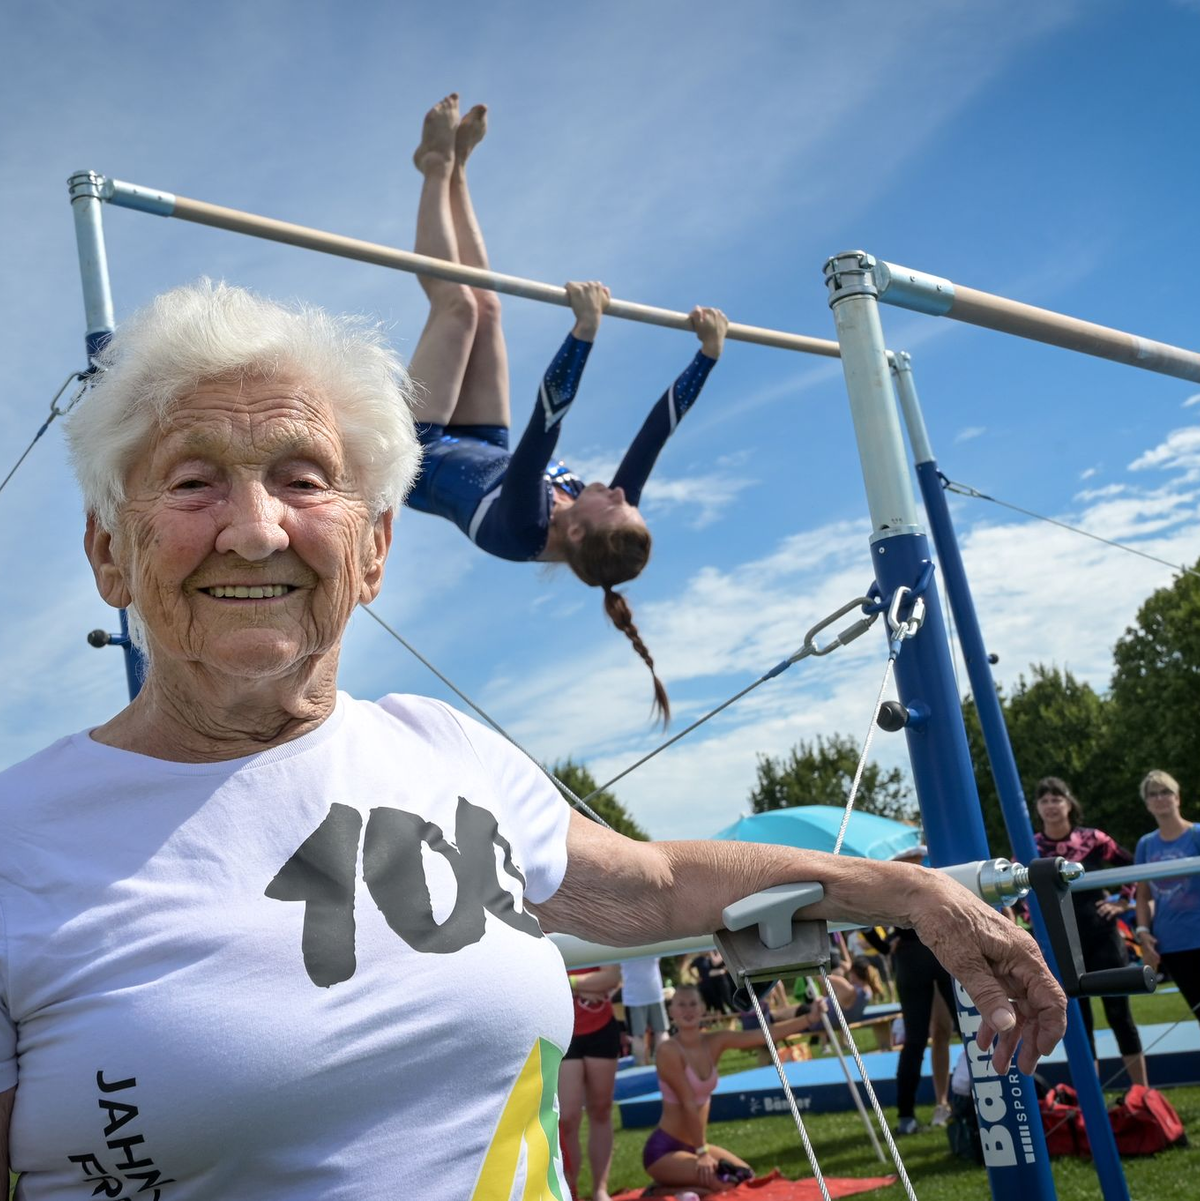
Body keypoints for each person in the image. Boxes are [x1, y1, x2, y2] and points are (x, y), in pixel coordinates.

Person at [0, 280, 1066, 1199]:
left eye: (302, 477)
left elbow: (646, 883)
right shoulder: (20, 846)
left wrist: (907, 889)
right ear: (108, 553)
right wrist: (611, 340)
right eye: (193, 480)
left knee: (473, 302)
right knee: (470, 301)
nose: (258, 525)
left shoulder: (443, 749)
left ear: (373, 551)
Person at [405, 95, 729, 722]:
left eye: (616, 502)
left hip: (415, 449)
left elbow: (543, 433)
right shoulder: (596, 514)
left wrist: (583, 331)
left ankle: (435, 166)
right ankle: (464, 168)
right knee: (491, 307)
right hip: (482, 442)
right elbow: (655, 434)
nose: (617, 489)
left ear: (576, 530)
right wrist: (707, 357)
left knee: (459, 309)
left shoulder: (524, 530)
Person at [643, 985, 827, 1194]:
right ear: (671, 1011)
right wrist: (702, 1153)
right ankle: (662, 1191)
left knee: (745, 1175)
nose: (688, 1010)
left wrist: (809, 1019)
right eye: (681, 1005)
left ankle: (677, 1186)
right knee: (724, 1185)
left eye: (693, 1004)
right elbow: (688, 1103)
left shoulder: (715, 1041)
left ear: (703, 1008)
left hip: (694, 1145)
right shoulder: (668, 1051)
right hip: (664, 1151)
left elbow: (762, 1035)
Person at [1032, 776, 1149, 1085]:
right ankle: (1091, 1102)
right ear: (1037, 808)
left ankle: (1144, 1095)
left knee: (1119, 1015)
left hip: (1102, 935)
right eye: (1044, 800)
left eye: (1057, 798)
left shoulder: (1093, 838)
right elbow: (1018, 893)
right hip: (1063, 942)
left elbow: (1132, 866)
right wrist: (1032, 919)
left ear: (1070, 804)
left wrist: (1122, 902)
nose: (1051, 805)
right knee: (1078, 1023)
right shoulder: (1030, 845)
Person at [863, 845, 960, 1134]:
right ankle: (910, 1113)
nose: (917, 858)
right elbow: (864, 922)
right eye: (913, 855)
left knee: (932, 1035)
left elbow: (864, 922)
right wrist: (886, 945)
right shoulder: (922, 877)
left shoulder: (891, 881)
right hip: (931, 954)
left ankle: (919, 1111)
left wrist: (887, 944)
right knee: (938, 1035)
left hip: (918, 956)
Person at [1134, 770, 1200, 1027]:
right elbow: (1143, 895)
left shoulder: (1195, 835)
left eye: (1166, 792)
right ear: (1147, 803)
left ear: (1177, 797)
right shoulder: (1147, 845)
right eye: (1153, 794)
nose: (1160, 798)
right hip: (1172, 942)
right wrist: (1142, 931)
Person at [561, 965, 623, 1201]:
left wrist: (570, 984)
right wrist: (585, 985)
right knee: (567, 1118)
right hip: (564, 1029)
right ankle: (570, 1191)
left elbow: (612, 976)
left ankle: (600, 1189)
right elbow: (540, 975)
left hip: (601, 1027)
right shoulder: (544, 928)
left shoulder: (598, 926)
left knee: (601, 1109)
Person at [620, 956, 670, 1066]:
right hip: (654, 991)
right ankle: (667, 1065)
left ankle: (641, 1066)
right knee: (661, 1031)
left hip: (633, 995)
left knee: (637, 1036)